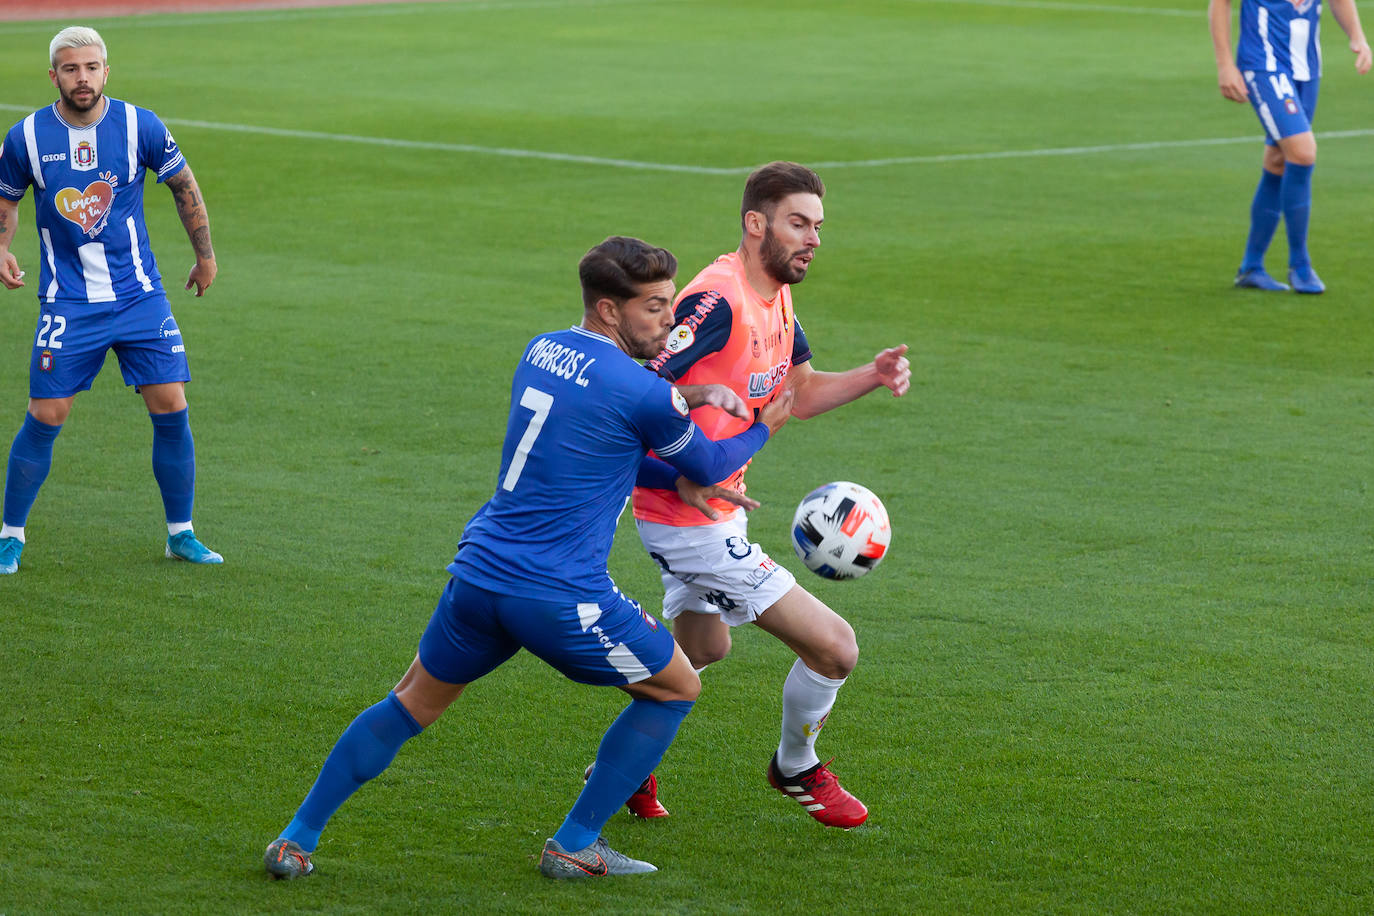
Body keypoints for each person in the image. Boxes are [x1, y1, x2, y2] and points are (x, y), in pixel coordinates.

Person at [263, 236, 793, 880]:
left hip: (478, 575)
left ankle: (297, 837)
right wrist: (767, 422)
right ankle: (575, 843)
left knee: (409, 704)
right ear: (607, 310)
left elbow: (607, 424)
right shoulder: (643, 393)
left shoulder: (542, 349)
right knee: (676, 686)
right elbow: (708, 463)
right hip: (558, 592)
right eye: (654, 308)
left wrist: (695, 392)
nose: (670, 322)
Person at [625, 162, 910, 829]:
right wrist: (682, 476)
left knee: (701, 652)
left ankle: (626, 762)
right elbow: (634, 405)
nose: (812, 238)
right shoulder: (715, 303)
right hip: (687, 519)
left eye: (817, 226)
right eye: (797, 223)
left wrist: (871, 374)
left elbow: (799, 395)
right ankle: (795, 768)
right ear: (756, 224)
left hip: (714, 510)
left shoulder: (777, 295)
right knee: (835, 647)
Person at [0, 26, 222, 573]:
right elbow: (6, 199)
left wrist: (206, 255)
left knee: (171, 406)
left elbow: (185, 186)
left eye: (92, 67)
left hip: (140, 297)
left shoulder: (139, 125)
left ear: (106, 71)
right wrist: (1, 247)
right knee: (46, 413)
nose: (83, 78)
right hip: (68, 302)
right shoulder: (25, 136)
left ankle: (181, 533)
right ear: (54, 75)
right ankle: (10, 535)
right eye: (71, 69)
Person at [1208, 0, 1370, 293]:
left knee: (1278, 161)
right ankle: (1301, 265)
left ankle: (1251, 267)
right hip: (1264, 65)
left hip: (1307, 69)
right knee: (1303, 152)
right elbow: (1220, 2)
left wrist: (1357, 35)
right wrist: (1224, 64)